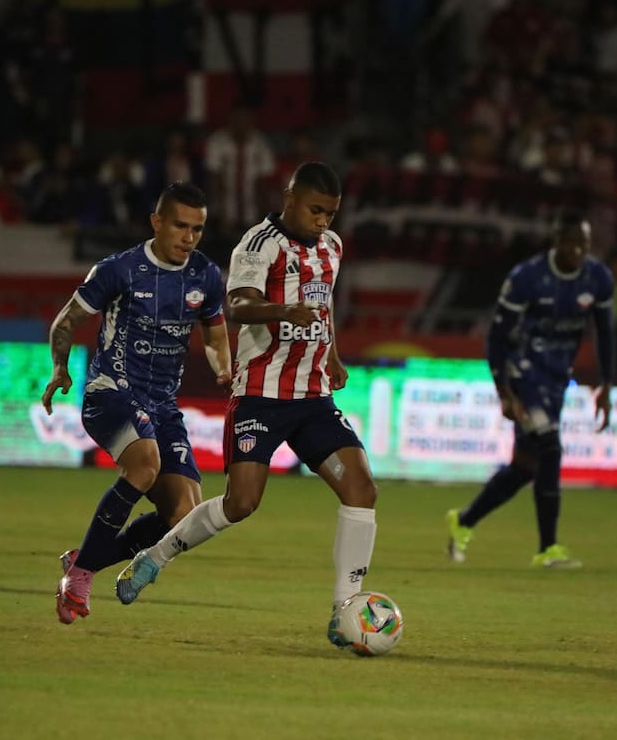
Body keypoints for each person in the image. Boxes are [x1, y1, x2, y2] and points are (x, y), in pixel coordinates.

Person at [114, 162, 379, 649]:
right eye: (316, 210)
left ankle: (346, 610)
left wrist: (334, 355)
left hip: (313, 396)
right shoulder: (259, 245)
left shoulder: (333, 247)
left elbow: (325, 304)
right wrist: (281, 309)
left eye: (332, 213)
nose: (324, 221)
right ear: (290, 198)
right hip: (260, 393)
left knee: (362, 490)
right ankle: (157, 554)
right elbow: (237, 305)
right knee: (242, 503)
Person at [42, 181, 231, 624]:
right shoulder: (119, 270)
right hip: (111, 392)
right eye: (180, 226)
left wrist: (223, 365)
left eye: (198, 229)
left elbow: (217, 334)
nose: (189, 237)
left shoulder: (205, 275)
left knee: (183, 512)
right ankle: (81, 577)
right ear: (157, 222)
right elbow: (65, 322)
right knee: (144, 464)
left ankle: (83, 557)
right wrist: (58, 368)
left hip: (163, 405)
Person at [446, 210, 615, 569]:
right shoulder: (526, 279)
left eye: (584, 245)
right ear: (556, 243)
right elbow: (496, 336)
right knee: (551, 445)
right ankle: (548, 549)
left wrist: (607, 383)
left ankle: (464, 520)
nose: (578, 251)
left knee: (525, 467)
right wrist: (504, 392)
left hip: (555, 378)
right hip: (522, 373)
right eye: (571, 243)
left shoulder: (597, 278)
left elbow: (606, 332)